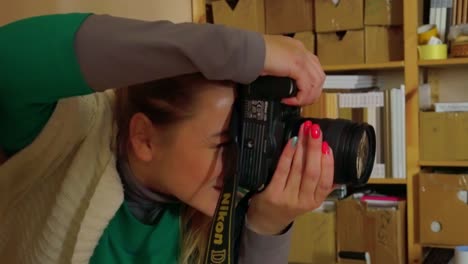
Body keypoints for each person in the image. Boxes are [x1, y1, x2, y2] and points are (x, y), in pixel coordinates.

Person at [0, 12, 332, 264]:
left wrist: (268, 226)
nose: (244, 160)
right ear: (144, 138)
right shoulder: (66, 133)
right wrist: (240, 50)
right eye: (224, 142)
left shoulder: (212, 219)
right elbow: (9, 61)